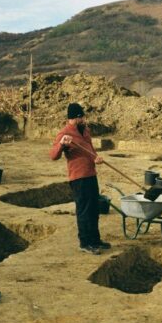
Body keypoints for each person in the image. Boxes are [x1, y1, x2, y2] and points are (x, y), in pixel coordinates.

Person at [49, 103, 110, 255]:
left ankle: (95, 240)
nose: (84, 119)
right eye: (82, 117)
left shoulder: (85, 131)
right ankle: (85, 243)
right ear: (75, 118)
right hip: (78, 178)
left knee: (94, 209)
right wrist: (62, 144)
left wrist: (96, 158)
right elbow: (53, 155)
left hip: (91, 174)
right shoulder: (64, 133)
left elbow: (90, 149)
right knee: (84, 211)